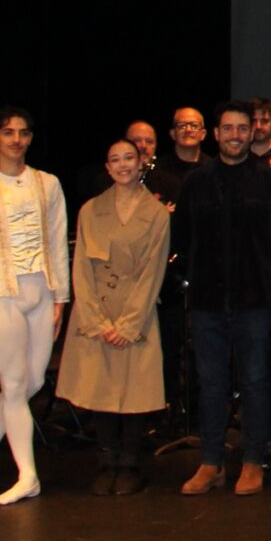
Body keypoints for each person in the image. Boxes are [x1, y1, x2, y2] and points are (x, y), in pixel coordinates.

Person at [173, 101, 271, 497]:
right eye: (228, 129)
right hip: (207, 301)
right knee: (210, 383)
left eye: (244, 128)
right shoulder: (196, 181)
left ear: (253, 132)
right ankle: (211, 462)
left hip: (256, 301)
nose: (236, 135)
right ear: (215, 133)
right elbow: (182, 238)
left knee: (255, 381)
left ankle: (253, 461)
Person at [0, 107, 71, 506]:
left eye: (23, 133)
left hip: (41, 290)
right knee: (15, 385)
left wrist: (60, 297)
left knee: (33, 381)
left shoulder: (48, 184)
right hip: (1, 293)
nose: (16, 140)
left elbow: (58, 241)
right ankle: (28, 475)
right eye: (8, 132)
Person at [56, 136, 171, 497]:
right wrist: (95, 319)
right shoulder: (90, 210)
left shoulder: (154, 213)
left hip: (135, 312)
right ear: (107, 168)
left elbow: (153, 271)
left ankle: (131, 463)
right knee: (101, 388)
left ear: (141, 164)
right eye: (115, 160)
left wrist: (129, 324)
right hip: (97, 314)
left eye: (129, 158)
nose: (123, 165)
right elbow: (80, 269)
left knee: (134, 391)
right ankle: (107, 460)